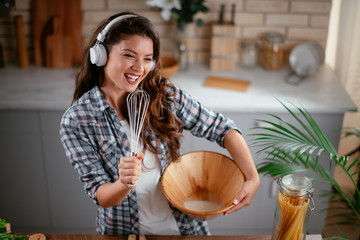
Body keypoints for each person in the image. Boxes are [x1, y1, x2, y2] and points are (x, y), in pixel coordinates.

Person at [60, 11, 259, 235]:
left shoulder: (163, 96)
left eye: (147, 58)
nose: (139, 68)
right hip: (125, 233)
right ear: (101, 55)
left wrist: (252, 177)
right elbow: (100, 194)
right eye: (129, 55)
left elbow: (223, 129)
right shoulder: (77, 120)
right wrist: (123, 183)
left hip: (183, 229)